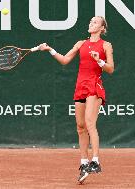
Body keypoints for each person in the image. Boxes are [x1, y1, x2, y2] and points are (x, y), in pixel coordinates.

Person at [39, 16, 114, 184]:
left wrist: (99, 60)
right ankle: (84, 163)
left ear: (102, 28)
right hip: (81, 86)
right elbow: (65, 60)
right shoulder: (81, 44)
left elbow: (111, 68)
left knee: (89, 123)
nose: (91, 23)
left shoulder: (106, 45)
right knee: (80, 127)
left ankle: (95, 160)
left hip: (94, 85)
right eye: (90, 21)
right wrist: (50, 49)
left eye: (95, 22)